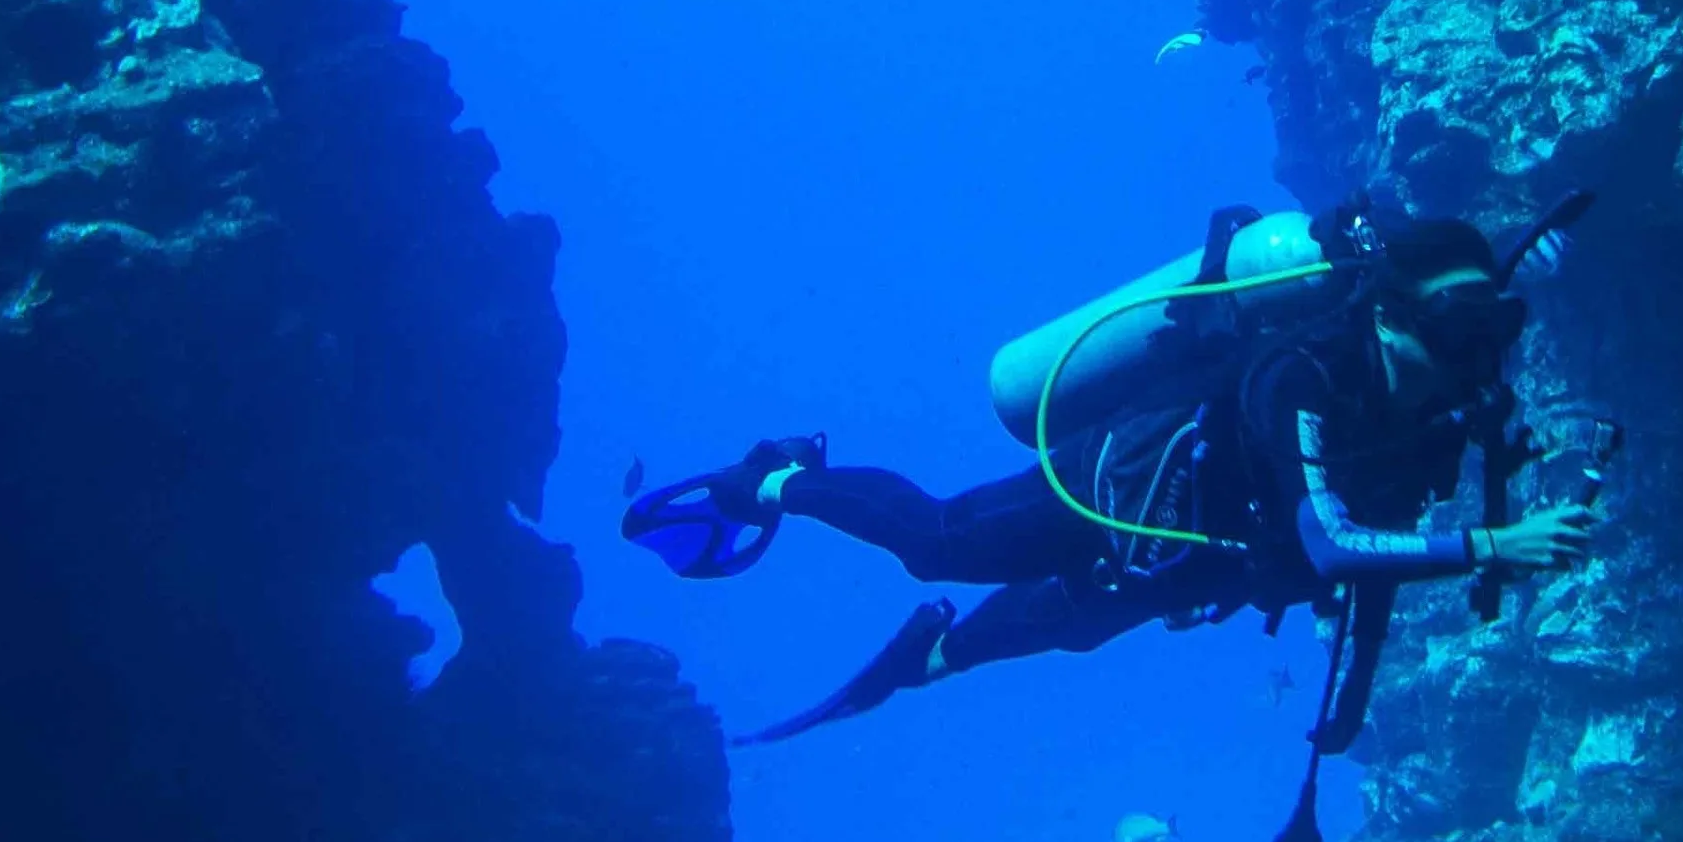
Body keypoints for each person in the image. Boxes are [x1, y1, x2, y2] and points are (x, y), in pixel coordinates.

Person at [627, 213, 1599, 746]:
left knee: (1073, 626)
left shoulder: (1427, 417)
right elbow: (1332, 542)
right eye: (1457, 333)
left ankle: (928, 657)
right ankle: (776, 479)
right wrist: (1491, 542)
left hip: (1199, 555)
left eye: (1492, 335)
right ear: (1388, 315)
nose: (1474, 363)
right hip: (1118, 485)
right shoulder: (1297, 374)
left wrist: (1348, 699)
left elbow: (1374, 543)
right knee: (938, 543)